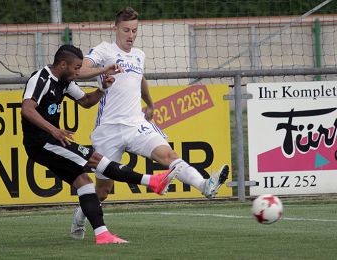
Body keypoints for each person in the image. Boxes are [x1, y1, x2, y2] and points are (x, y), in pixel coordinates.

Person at [70, 7, 230, 239]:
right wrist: (104, 69)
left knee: (169, 156)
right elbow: (80, 69)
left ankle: (204, 185)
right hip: (109, 130)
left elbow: (140, 78)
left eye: (134, 30)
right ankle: (80, 215)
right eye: (126, 30)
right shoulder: (104, 50)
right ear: (115, 28)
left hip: (136, 124)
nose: (130, 35)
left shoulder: (139, 55)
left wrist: (151, 103)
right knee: (103, 191)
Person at [21, 44, 177, 244]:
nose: (79, 72)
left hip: (51, 140)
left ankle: (102, 234)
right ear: (62, 64)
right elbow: (27, 109)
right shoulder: (40, 78)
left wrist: (103, 88)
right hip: (41, 142)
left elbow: (86, 101)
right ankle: (152, 181)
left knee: (84, 182)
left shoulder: (64, 81)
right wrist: (53, 130)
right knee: (96, 159)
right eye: (76, 67)